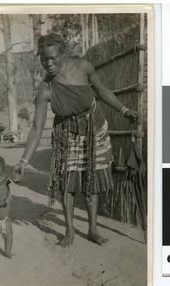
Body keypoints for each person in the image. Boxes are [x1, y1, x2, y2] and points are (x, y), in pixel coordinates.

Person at [12, 33, 139, 248]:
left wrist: (124, 109)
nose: (48, 64)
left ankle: (92, 230)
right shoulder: (45, 89)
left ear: (64, 54)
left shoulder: (83, 68)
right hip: (67, 135)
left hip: (94, 129)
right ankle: (69, 231)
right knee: (66, 185)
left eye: (53, 58)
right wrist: (23, 162)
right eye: (44, 59)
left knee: (92, 182)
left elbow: (101, 90)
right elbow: (36, 127)